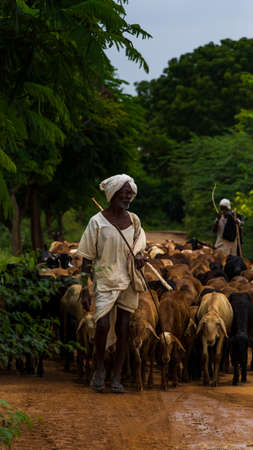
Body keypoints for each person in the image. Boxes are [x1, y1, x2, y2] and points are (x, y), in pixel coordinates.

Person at [77, 174, 146, 393]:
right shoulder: (97, 222)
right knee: (103, 325)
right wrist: (84, 289)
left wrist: (141, 259)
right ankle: (99, 369)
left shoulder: (134, 221)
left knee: (124, 327)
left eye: (130, 193)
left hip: (128, 280)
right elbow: (87, 257)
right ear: (112, 194)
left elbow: (140, 249)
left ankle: (116, 376)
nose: (128, 196)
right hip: (105, 278)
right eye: (124, 192)